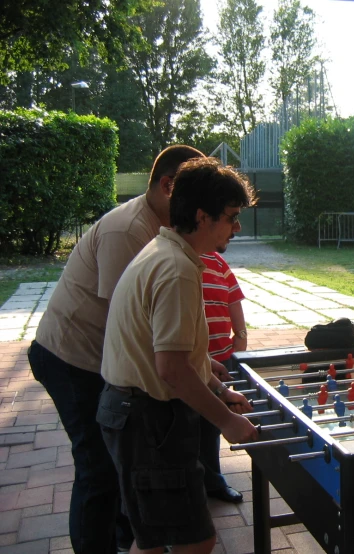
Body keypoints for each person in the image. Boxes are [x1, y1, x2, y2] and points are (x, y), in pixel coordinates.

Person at [27, 145, 205, 554]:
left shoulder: (162, 231)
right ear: (167, 186)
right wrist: (181, 371)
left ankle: (130, 538)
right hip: (71, 358)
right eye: (195, 193)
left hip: (99, 359)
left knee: (120, 464)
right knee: (98, 470)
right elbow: (124, 323)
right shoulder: (128, 231)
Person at [96, 157, 259, 554]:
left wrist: (216, 385)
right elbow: (170, 369)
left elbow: (177, 354)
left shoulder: (167, 250)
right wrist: (227, 422)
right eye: (232, 217)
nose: (237, 228)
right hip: (148, 421)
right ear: (203, 216)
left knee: (153, 539)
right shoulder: (178, 269)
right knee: (195, 541)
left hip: (132, 413)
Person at [199, 251, 247, 503]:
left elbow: (233, 297)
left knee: (210, 427)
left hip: (221, 357)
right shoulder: (177, 261)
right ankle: (197, 482)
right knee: (191, 424)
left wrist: (240, 334)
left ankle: (212, 480)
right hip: (191, 362)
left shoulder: (217, 261)